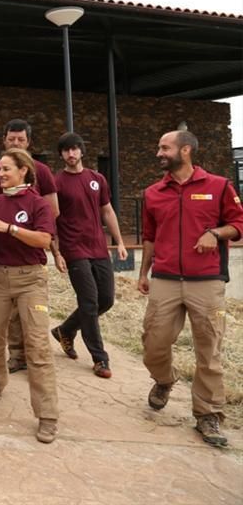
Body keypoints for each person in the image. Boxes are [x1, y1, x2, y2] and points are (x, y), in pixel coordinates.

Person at [138, 130, 243, 448]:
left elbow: (239, 223)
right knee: (153, 343)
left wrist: (215, 232)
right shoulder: (153, 193)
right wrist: (143, 273)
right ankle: (165, 379)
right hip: (165, 279)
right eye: (158, 147)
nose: (159, 153)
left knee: (208, 352)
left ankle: (207, 415)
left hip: (207, 281)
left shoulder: (219, 186)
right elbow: (149, 236)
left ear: (185, 150)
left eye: (164, 147)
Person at [0, 148, 59, 443]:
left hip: (31, 279)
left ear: (23, 170)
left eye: (5, 169)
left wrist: (11, 229)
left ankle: (48, 415)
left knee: (37, 345)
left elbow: (44, 239)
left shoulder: (38, 204)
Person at [0, 118, 59, 374]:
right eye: (11, 139)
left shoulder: (42, 172)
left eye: (20, 139)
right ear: (4, 140)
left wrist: (19, 227)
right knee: (3, 317)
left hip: (29, 256)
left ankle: (26, 356)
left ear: (29, 142)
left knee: (28, 317)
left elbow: (52, 212)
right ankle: (16, 354)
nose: (15, 143)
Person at [50, 132, 128, 379]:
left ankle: (65, 329)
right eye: (66, 150)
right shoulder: (57, 183)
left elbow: (107, 211)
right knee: (90, 301)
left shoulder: (97, 179)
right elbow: (51, 220)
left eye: (75, 149)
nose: (71, 154)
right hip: (74, 249)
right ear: (61, 154)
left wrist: (119, 241)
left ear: (82, 151)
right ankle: (100, 358)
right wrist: (56, 252)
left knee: (106, 299)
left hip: (98, 247)